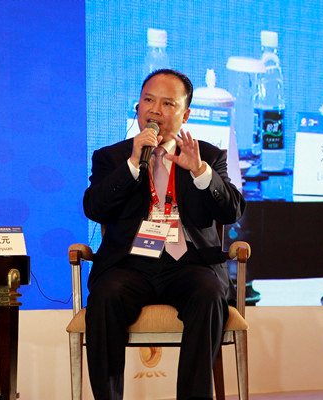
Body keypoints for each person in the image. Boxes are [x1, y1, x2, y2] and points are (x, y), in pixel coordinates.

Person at [83, 69, 246, 400]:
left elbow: (232, 211)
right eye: (148, 100)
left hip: (189, 265)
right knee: (105, 296)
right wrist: (132, 165)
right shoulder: (111, 157)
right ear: (138, 107)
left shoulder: (208, 156)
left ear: (186, 114)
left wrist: (199, 171)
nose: (155, 110)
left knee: (208, 293)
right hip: (130, 265)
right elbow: (94, 208)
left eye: (167, 103)